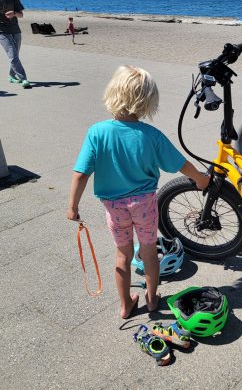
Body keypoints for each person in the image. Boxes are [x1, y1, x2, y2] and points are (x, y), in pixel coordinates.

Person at [67, 66, 210, 319]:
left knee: (122, 255)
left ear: (113, 94)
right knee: (148, 252)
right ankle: (152, 298)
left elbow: (81, 173)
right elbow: (180, 164)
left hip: (114, 206)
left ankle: (125, 305)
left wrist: (73, 207)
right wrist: (200, 179)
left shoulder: (97, 132)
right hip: (144, 203)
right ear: (147, 101)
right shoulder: (151, 135)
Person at [0, 0, 30, 89]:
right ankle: (24, 79)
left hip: (15, 30)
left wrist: (14, 14)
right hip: (2, 31)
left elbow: (21, 15)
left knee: (15, 56)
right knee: (12, 55)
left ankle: (11, 75)